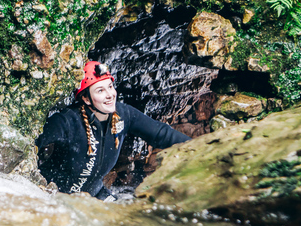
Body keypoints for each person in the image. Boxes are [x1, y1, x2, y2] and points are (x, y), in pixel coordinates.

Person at [35, 61, 190, 201]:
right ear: (86, 99)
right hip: (54, 196)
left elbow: (161, 134)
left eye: (110, 87)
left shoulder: (123, 115)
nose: (110, 95)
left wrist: (197, 148)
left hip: (94, 194)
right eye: (100, 90)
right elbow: (32, 143)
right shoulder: (67, 122)